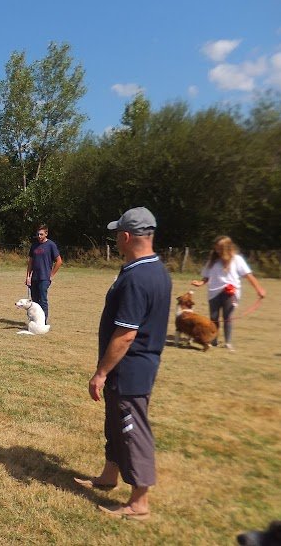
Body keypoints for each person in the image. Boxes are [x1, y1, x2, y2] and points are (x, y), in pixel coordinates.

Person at [77, 207, 171, 520]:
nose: (116, 238)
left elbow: (127, 334)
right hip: (130, 368)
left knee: (132, 429)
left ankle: (139, 503)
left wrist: (100, 372)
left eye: (118, 233)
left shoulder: (138, 277)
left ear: (126, 237)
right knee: (116, 423)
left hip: (131, 368)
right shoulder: (153, 269)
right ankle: (108, 476)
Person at [190, 235, 266, 351]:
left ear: (227, 248)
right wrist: (200, 283)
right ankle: (213, 340)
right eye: (216, 247)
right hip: (214, 292)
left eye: (219, 248)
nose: (216, 250)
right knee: (214, 318)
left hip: (230, 292)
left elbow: (248, 275)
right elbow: (206, 276)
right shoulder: (212, 261)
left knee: (227, 317)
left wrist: (259, 289)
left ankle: (228, 342)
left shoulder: (237, 260)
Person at [25, 224, 62, 323]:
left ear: (46, 233)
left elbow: (59, 261)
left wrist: (51, 275)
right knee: (34, 301)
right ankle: (35, 320)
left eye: (41, 234)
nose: (39, 236)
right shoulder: (34, 245)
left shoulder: (51, 245)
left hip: (44, 278)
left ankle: (43, 322)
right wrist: (28, 276)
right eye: (38, 234)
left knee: (43, 300)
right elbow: (30, 262)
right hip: (34, 278)